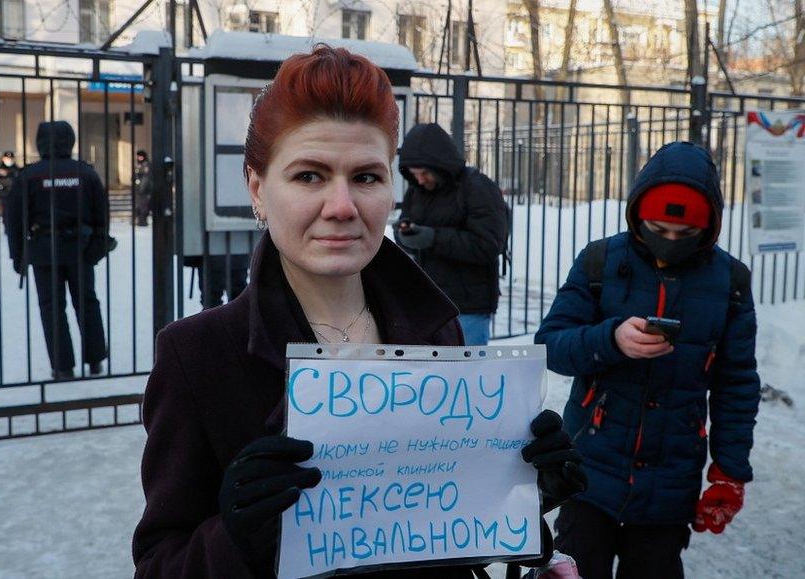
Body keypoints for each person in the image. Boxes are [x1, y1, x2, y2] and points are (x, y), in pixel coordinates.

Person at [132, 46, 585, 579]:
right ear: (258, 189)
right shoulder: (199, 356)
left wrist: (519, 494)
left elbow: (442, 536)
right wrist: (236, 537)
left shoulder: (438, 331)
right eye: (309, 176)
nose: (343, 206)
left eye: (366, 177)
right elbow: (161, 566)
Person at [534, 141, 761, 579]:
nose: (669, 244)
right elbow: (551, 346)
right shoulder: (600, 261)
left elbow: (737, 384)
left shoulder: (730, 282)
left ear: (709, 227)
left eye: (685, 235)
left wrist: (730, 471)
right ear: (638, 215)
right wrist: (611, 339)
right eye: (658, 228)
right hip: (588, 473)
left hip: (670, 483)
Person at [5, 121, 109, 380]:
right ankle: (95, 361)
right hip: (80, 250)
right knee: (87, 304)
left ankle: (63, 367)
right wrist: (95, 249)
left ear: (40, 142)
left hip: (43, 250)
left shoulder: (29, 175)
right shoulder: (86, 173)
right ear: (71, 141)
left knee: (51, 308)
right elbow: (102, 215)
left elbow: (14, 221)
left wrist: (18, 256)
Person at [394, 123, 509, 346]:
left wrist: (432, 238)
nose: (420, 180)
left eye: (425, 173)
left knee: (464, 375)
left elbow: (488, 245)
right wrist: (406, 235)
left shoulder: (477, 187)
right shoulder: (418, 190)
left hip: (468, 307)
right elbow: (409, 228)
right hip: (428, 302)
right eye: (415, 174)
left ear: (440, 165)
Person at [133, 150, 153, 226]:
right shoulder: (138, 165)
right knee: (139, 205)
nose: (138, 158)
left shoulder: (146, 165)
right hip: (138, 189)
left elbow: (147, 178)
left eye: (140, 156)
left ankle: (143, 221)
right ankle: (139, 220)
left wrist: (142, 189)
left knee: (144, 206)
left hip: (144, 190)